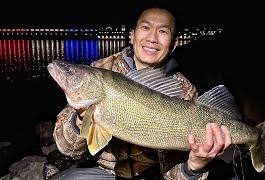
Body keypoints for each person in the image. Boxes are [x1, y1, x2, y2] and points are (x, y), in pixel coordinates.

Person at [52, 4, 232, 180]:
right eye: (145, 27)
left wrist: (194, 166)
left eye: (163, 31)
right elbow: (67, 148)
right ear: (132, 35)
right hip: (104, 171)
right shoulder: (100, 71)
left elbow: (173, 173)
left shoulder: (184, 92)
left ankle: (255, 136)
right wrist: (81, 119)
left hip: (152, 174)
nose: (152, 38)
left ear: (174, 43)